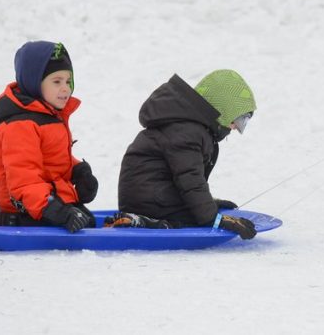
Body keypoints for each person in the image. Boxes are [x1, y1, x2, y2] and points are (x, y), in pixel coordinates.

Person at [109, 70, 258, 240]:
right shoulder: (187, 131)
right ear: (223, 109)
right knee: (194, 220)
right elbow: (190, 180)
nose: (236, 128)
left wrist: (209, 203)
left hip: (153, 197)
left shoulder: (190, 127)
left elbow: (188, 181)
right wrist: (214, 218)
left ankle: (152, 218)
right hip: (151, 202)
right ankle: (145, 222)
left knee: (198, 213)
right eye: (239, 120)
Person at [0, 41, 98, 232]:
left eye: (68, 81)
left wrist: (78, 170)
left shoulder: (48, 117)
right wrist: (57, 212)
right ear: (34, 82)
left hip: (44, 200)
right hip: (24, 211)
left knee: (88, 222)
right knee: (83, 226)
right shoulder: (20, 125)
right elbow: (24, 178)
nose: (65, 88)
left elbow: (50, 160)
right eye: (56, 81)